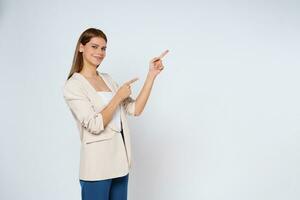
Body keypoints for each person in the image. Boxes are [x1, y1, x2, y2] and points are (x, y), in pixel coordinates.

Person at [62, 27, 168, 200]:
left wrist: (151, 75)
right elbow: (95, 125)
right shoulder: (73, 86)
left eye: (103, 48)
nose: (100, 52)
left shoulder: (108, 79)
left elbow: (135, 109)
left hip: (120, 163)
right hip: (96, 167)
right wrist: (118, 97)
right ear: (81, 47)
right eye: (94, 46)